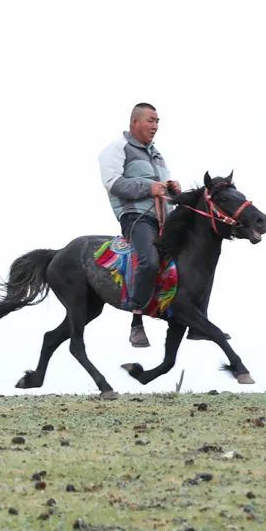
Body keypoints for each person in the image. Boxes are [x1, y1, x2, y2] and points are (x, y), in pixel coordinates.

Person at [98, 103, 180, 348]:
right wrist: (148, 187)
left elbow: (161, 190)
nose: (155, 126)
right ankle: (136, 321)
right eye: (150, 120)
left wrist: (173, 191)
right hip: (135, 217)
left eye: (157, 121)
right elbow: (113, 183)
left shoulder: (157, 154)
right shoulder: (117, 148)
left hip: (163, 218)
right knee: (150, 261)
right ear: (135, 122)